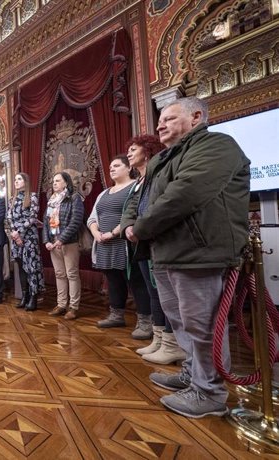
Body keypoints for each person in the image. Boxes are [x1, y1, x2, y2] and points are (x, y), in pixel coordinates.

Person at [124, 97, 250, 418]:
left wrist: (140, 227)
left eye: (168, 118)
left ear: (196, 117)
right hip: (167, 250)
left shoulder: (217, 145)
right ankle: (193, 375)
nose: (160, 124)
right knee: (181, 320)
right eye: (160, 119)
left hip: (199, 251)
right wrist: (131, 223)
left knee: (202, 324)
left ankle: (208, 393)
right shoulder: (164, 158)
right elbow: (143, 199)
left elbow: (184, 194)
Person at [122, 134, 186, 363]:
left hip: (157, 240)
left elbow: (158, 206)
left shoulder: (158, 174)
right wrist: (128, 226)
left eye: (133, 148)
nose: (128, 153)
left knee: (164, 293)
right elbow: (131, 208)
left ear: (148, 150)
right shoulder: (139, 181)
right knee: (154, 293)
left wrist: (139, 227)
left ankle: (171, 342)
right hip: (141, 243)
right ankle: (159, 339)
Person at [87, 156, 151, 338]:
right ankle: (116, 315)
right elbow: (92, 217)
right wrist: (96, 233)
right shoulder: (104, 193)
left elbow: (135, 214)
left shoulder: (135, 187)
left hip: (126, 243)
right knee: (113, 280)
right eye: (110, 167)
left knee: (137, 282)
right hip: (105, 244)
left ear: (128, 167)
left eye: (116, 165)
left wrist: (113, 233)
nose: (112, 169)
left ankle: (145, 322)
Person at [43, 172, 83, 320]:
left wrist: (62, 239)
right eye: (53, 181)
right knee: (59, 274)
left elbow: (76, 221)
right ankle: (61, 305)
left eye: (58, 181)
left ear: (66, 183)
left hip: (69, 242)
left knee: (72, 274)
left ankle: (73, 307)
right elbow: (46, 223)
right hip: (53, 243)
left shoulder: (74, 198)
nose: (54, 183)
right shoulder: (51, 200)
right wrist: (47, 240)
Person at [7, 172, 44, 311]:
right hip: (16, 238)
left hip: (29, 237)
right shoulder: (12, 199)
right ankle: (24, 296)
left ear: (25, 181)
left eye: (19, 179)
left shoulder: (32, 196)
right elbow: (9, 218)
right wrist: (14, 233)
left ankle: (33, 298)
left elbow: (33, 217)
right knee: (21, 267)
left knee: (31, 267)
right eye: (15, 179)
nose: (16, 181)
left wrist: (19, 232)